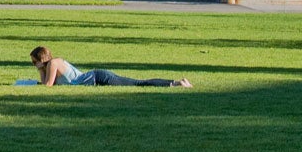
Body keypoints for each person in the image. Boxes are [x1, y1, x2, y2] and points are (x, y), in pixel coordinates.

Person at [27, 46, 191, 88]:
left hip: (98, 77)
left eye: (35, 62)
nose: (34, 65)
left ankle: (176, 83)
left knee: (137, 83)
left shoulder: (54, 63)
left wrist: (40, 70)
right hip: (96, 77)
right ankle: (177, 83)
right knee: (137, 83)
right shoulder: (50, 65)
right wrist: (40, 69)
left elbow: (47, 86)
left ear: (42, 59)